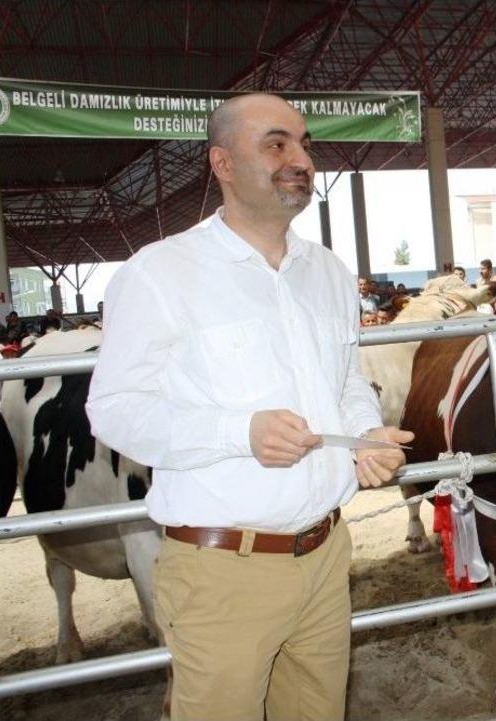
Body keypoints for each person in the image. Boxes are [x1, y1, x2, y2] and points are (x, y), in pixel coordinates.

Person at [85, 94, 413, 720]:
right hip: (223, 572)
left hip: (325, 555)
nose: (300, 160)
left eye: (304, 144)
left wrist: (364, 432)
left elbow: (345, 379)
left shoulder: (328, 271)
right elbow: (115, 409)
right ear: (223, 164)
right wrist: (239, 432)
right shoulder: (160, 273)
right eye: (275, 144)